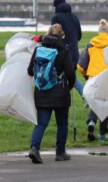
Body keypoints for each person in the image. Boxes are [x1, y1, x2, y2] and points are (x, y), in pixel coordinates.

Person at [27, 24, 76, 164]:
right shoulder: (64, 51)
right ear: (62, 35)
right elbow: (70, 73)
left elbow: (30, 71)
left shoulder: (38, 50)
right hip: (60, 93)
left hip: (42, 92)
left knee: (41, 123)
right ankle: (60, 152)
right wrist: (70, 86)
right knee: (62, 124)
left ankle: (34, 148)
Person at [77, 19, 108, 142]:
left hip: (93, 78)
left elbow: (81, 66)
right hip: (107, 79)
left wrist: (87, 76)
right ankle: (102, 134)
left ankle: (91, 121)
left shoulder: (90, 45)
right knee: (105, 105)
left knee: (94, 103)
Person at [51, 0, 83, 95]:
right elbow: (79, 36)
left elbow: (54, 37)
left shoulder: (56, 18)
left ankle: (85, 95)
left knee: (65, 77)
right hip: (74, 54)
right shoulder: (74, 17)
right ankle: (85, 95)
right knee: (70, 76)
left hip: (62, 54)